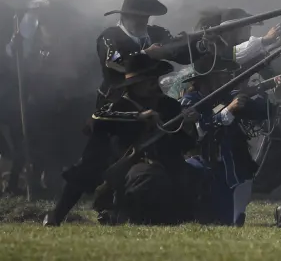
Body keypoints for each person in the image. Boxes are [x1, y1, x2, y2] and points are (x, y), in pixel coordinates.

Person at [43, 54, 199, 226]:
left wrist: (188, 126)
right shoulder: (118, 107)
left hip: (168, 167)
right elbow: (96, 121)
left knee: (191, 179)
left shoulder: (170, 106)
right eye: (147, 79)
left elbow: (186, 144)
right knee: (138, 176)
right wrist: (138, 117)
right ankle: (63, 215)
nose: (152, 83)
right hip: (129, 172)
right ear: (134, 84)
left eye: (153, 78)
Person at [181, 55, 272, 226]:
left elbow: (262, 111)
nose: (227, 79)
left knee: (235, 216)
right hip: (208, 163)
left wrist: (271, 92)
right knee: (216, 216)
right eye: (220, 76)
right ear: (206, 79)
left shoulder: (226, 97)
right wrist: (229, 109)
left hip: (235, 163)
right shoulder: (190, 101)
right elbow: (202, 128)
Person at [95, 0, 173, 108]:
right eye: (138, 16)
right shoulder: (110, 36)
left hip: (151, 95)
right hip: (117, 99)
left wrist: (199, 45)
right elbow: (114, 61)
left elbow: (178, 51)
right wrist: (146, 53)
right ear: (125, 16)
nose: (143, 21)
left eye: (146, 16)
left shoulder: (156, 32)